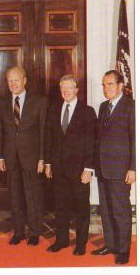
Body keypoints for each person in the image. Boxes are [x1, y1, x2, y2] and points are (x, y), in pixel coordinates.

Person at [45, 74, 97, 255]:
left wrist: (89, 169)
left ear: (76, 90)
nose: (65, 91)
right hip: (58, 169)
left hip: (80, 170)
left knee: (82, 208)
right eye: (62, 88)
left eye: (69, 88)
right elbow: (49, 139)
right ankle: (61, 240)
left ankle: (81, 243)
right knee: (61, 207)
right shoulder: (53, 109)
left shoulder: (87, 111)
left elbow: (92, 141)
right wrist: (48, 163)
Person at [0, 66, 47, 246]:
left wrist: (42, 158)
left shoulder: (39, 101)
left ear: (24, 80)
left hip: (32, 157)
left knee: (33, 195)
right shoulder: (2, 102)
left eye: (16, 80)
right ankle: (18, 232)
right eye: (10, 80)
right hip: (10, 157)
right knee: (15, 196)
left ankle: (34, 232)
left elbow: (43, 132)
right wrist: (1, 156)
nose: (13, 84)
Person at [91, 70, 135, 264]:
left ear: (120, 86)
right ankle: (110, 244)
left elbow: (136, 140)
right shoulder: (102, 107)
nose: (106, 88)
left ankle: (124, 249)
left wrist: (133, 168)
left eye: (110, 84)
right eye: (104, 84)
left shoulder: (131, 107)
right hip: (103, 167)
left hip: (120, 169)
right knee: (106, 210)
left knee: (120, 210)